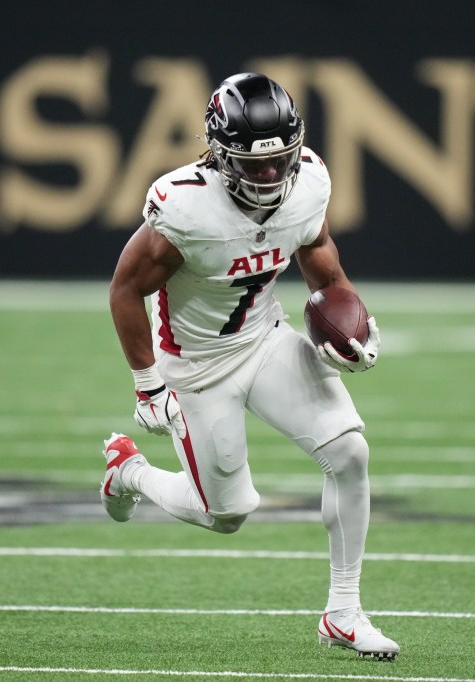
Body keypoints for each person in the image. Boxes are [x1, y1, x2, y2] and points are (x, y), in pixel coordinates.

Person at [100, 72, 399, 661]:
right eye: (253, 164)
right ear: (218, 153)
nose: (269, 175)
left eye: (278, 161)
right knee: (228, 513)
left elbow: (324, 267)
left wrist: (348, 322)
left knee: (350, 452)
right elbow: (123, 289)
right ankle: (129, 472)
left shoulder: (308, 183)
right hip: (197, 367)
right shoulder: (186, 206)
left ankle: (343, 612)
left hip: (264, 339)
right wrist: (147, 382)